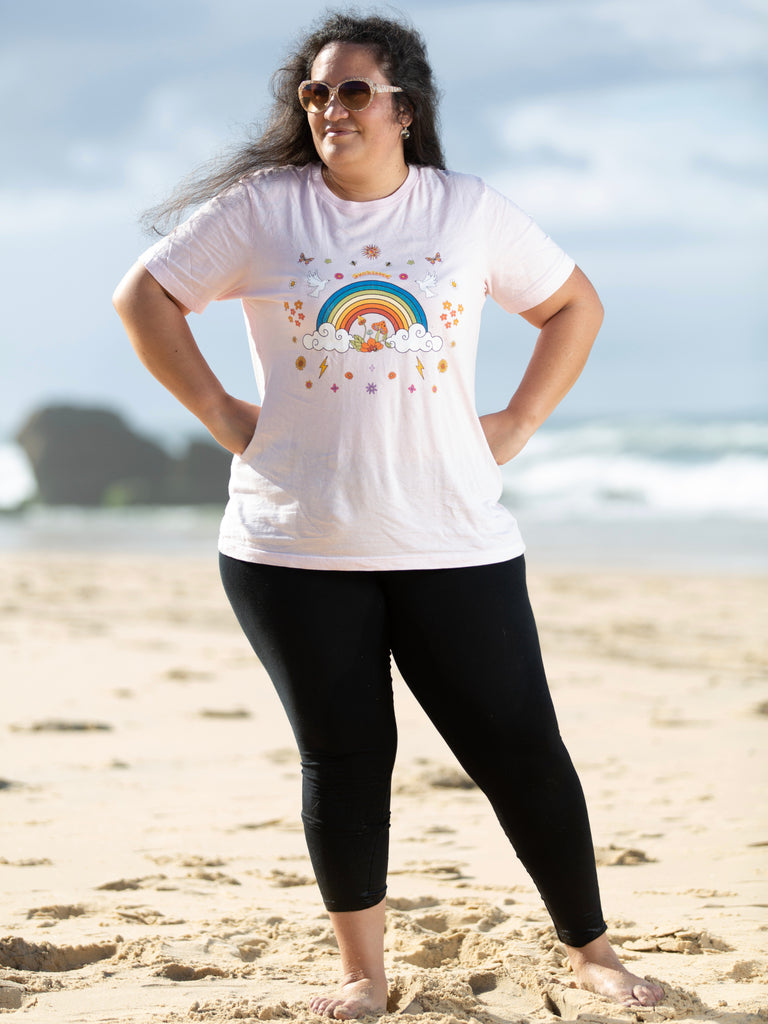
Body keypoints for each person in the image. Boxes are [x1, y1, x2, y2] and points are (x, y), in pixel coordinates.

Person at [113, 12, 664, 1020]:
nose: (330, 109)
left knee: (519, 746)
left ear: (405, 106)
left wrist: (521, 419)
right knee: (347, 753)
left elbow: (573, 305)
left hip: (454, 537)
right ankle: (362, 976)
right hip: (291, 543)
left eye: (353, 91)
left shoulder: (466, 212)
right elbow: (145, 299)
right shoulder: (265, 210)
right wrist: (225, 415)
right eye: (316, 93)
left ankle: (593, 950)